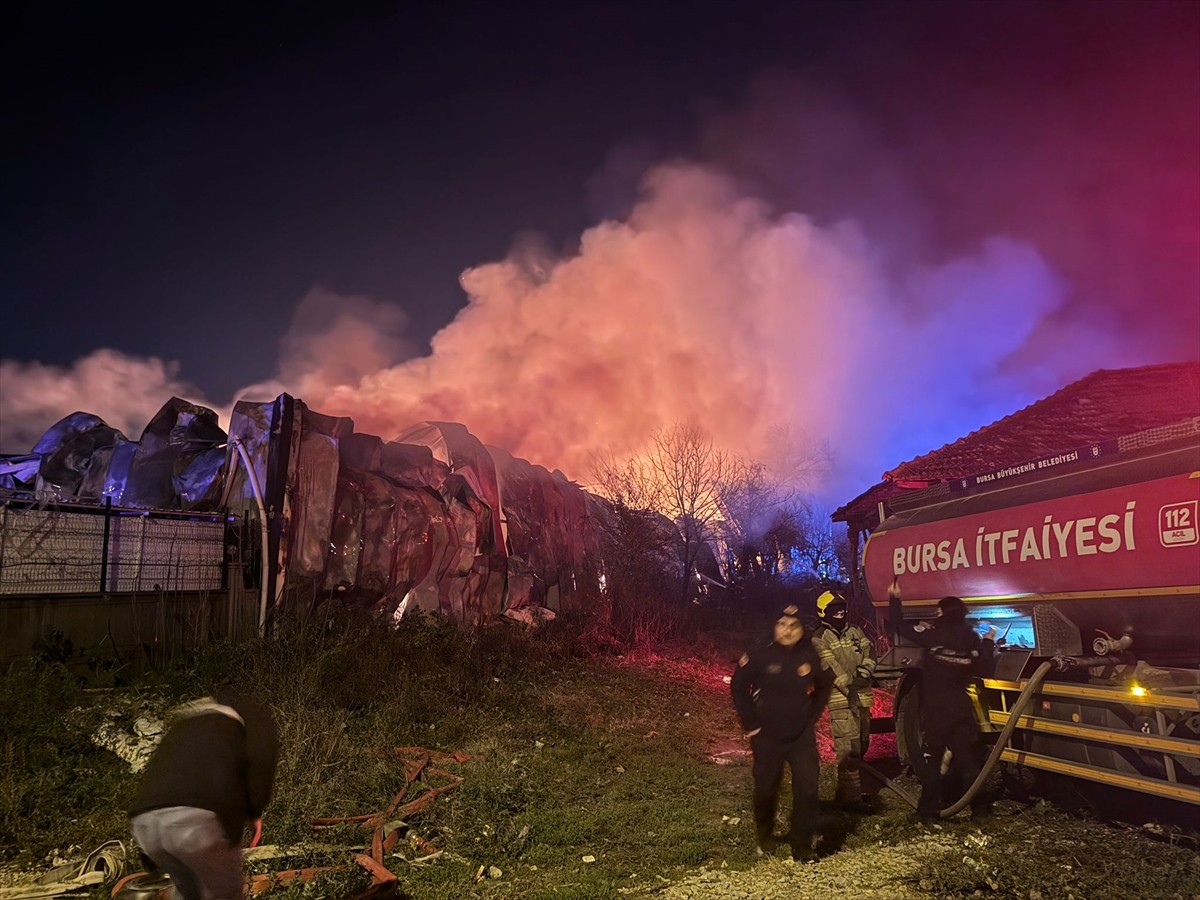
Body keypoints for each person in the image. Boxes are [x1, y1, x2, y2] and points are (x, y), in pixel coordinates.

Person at [128, 690, 279, 899]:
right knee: (225, 891)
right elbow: (261, 759)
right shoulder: (248, 719)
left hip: (145, 822)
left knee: (187, 892)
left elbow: (156, 775)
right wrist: (254, 810)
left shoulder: (184, 726)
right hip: (194, 821)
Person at [731, 603, 834, 862]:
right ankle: (765, 838)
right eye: (782, 624)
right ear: (775, 626)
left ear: (802, 629)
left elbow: (824, 685)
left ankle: (802, 846)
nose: (787, 630)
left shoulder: (810, 653)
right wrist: (750, 722)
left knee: (807, 790)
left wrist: (812, 716)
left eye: (794, 626)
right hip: (767, 735)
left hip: (800, 736)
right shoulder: (760, 651)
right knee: (766, 790)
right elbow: (738, 685)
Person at [887, 578, 995, 820]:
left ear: (942, 612)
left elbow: (897, 625)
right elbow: (986, 669)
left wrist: (895, 598)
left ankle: (927, 812)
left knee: (933, 762)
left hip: (936, 712)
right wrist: (988, 642)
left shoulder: (932, 636)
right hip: (961, 711)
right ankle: (980, 810)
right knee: (968, 762)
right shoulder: (971, 638)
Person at [812, 589, 877, 813]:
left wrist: (864, 672)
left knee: (863, 745)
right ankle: (852, 801)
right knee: (849, 750)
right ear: (824, 612)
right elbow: (831, 668)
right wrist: (850, 683)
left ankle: (845, 793)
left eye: (841, 608)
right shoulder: (820, 638)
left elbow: (870, 650)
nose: (839, 612)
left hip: (862, 698)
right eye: (834, 609)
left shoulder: (855, 631)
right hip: (841, 701)